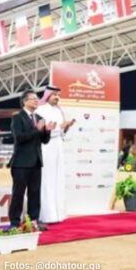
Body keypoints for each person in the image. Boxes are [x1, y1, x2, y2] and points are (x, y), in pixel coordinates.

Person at [9, 90, 54, 230]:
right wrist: (37, 129)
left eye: (37, 98)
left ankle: (33, 221)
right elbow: (20, 138)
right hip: (21, 163)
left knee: (35, 193)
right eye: (33, 99)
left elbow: (44, 141)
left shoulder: (39, 117)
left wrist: (47, 131)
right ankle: (15, 223)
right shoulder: (18, 117)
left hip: (36, 162)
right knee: (18, 194)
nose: (36, 101)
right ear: (25, 101)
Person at [36, 86, 75, 224]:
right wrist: (60, 126)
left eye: (58, 95)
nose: (57, 97)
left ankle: (58, 214)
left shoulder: (59, 111)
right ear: (47, 96)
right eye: (54, 95)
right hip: (46, 146)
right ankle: (46, 215)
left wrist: (67, 125)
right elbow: (42, 130)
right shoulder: (40, 110)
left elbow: (62, 132)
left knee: (58, 178)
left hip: (58, 145)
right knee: (46, 179)